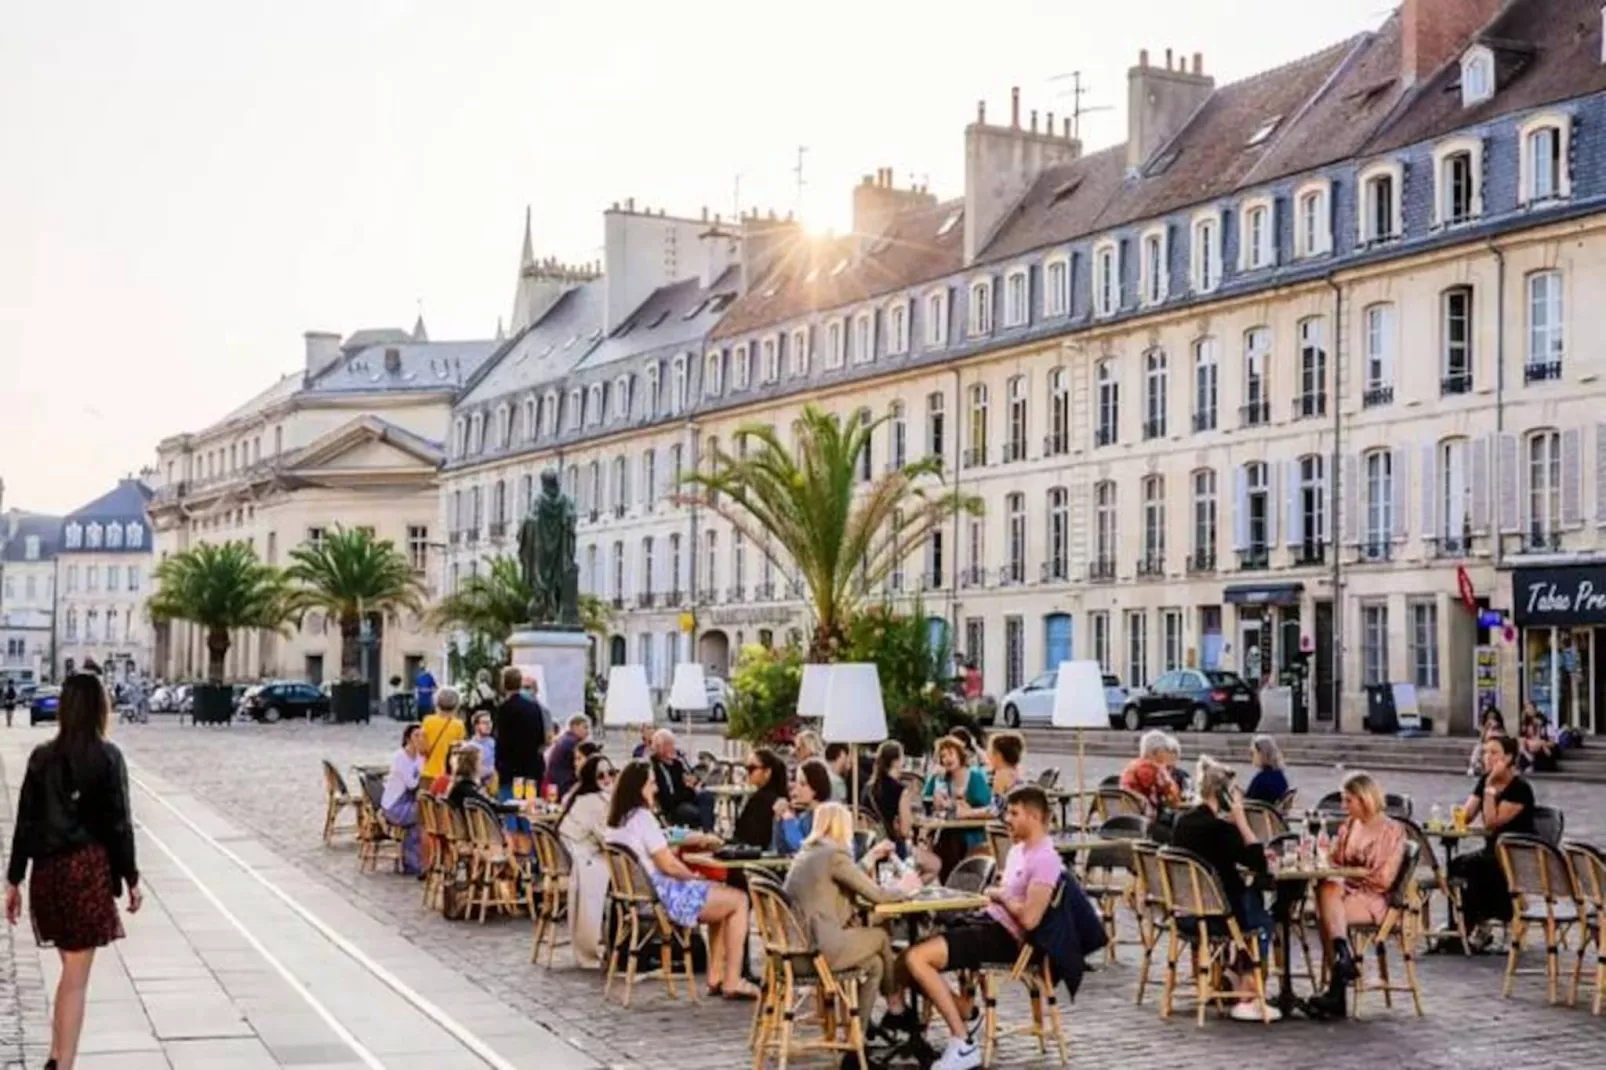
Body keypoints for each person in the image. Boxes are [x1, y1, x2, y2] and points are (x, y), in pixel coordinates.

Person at [5, 673, 142, 1070]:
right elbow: (120, 825)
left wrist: (13, 880)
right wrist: (131, 878)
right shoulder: (108, 757)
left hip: (48, 874)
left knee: (70, 971)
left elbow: (25, 824)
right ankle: (64, 1065)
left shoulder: (41, 757)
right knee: (77, 978)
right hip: (86, 874)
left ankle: (54, 1055)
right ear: (100, 708)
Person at [900, 786, 1063, 1070]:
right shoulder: (1017, 851)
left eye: (1014, 813)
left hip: (1009, 940)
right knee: (903, 960)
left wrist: (1000, 895)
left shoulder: (1045, 860)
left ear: (1035, 816)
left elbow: (1029, 919)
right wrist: (998, 894)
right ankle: (965, 1011)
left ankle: (962, 1043)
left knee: (917, 958)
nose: (1007, 819)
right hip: (988, 922)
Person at [605, 761, 759, 999]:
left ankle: (716, 976)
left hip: (639, 897)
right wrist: (693, 876)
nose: (655, 789)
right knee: (739, 900)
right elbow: (667, 864)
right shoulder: (642, 818)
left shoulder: (616, 823)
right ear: (639, 787)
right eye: (652, 783)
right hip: (665, 897)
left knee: (721, 898)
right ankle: (732, 980)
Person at [783, 803, 920, 1056]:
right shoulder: (834, 855)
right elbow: (877, 895)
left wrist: (871, 857)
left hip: (791, 954)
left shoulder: (810, 852)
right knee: (880, 937)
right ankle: (895, 1005)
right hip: (819, 953)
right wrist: (905, 888)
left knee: (875, 965)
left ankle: (857, 1042)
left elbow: (850, 876)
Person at [1170, 757, 1278, 1021]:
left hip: (1187, 911)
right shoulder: (1221, 829)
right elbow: (1258, 862)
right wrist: (1241, 821)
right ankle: (1248, 993)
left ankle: (1232, 972)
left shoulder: (1182, 823)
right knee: (1263, 921)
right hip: (1221, 913)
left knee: (1252, 902)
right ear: (1224, 795)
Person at [1307, 772, 1407, 1019]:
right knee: (1326, 890)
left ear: (1365, 799)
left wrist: (1351, 873)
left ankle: (1339, 983)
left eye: (1348, 800)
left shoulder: (1391, 830)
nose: (1344, 806)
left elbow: (1384, 878)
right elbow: (1336, 860)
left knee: (1325, 910)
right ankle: (1343, 959)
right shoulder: (1351, 825)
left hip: (1376, 897)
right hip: (1347, 890)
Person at [1449, 734, 1537, 948]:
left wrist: (1489, 788)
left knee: (1478, 867)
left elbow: (1491, 822)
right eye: (1485, 752)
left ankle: (1487, 920)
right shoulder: (1484, 780)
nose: (1487, 757)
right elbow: (1467, 816)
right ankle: (1467, 924)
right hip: (1492, 850)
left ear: (1508, 758)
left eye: (1494, 753)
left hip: (1514, 853)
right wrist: (1461, 813)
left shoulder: (1519, 788)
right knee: (1457, 865)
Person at [558, 754, 615, 968]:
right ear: (592, 778)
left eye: (611, 773)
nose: (607, 779)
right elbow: (607, 837)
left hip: (577, 856)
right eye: (601, 775)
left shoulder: (583, 796)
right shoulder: (593, 801)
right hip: (583, 858)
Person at [868, 741, 940, 882]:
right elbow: (905, 831)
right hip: (895, 850)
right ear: (896, 762)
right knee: (935, 865)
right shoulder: (901, 791)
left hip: (872, 850)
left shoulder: (868, 789)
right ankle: (908, 889)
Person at [923, 736, 994, 873]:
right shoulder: (943, 779)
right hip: (949, 830)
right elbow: (926, 798)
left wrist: (966, 809)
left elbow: (988, 807)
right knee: (943, 841)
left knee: (951, 842)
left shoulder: (975, 776)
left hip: (972, 831)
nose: (947, 759)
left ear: (960, 755)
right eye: (943, 756)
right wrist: (935, 777)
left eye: (951, 754)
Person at [492, 665, 549, 800]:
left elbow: (501, 740)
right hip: (532, 764)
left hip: (510, 767)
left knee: (510, 807)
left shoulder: (504, 708)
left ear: (503, 684)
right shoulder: (534, 707)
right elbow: (542, 738)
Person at [649, 729, 715, 831]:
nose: (673, 748)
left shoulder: (677, 764)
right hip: (672, 806)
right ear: (660, 747)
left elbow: (683, 786)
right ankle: (708, 833)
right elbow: (668, 796)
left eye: (672, 745)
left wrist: (691, 787)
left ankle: (708, 832)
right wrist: (689, 791)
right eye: (669, 745)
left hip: (683, 798)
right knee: (699, 814)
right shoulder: (655, 766)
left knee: (706, 796)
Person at [381, 724, 426, 874]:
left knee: (422, 818)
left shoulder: (420, 757)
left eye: (422, 736)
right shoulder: (400, 758)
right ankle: (415, 862)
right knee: (422, 816)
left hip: (410, 801)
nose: (420, 739)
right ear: (408, 738)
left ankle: (414, 862)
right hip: (395, 805)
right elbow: (412, 784)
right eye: (416, 736)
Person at [773, 759, 835, 855]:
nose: (796, 789)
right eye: (796, 783)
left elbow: (805, 850)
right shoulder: (805, 818)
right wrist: (780, 819)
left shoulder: (829, 816)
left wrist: (789, 821)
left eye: (803, 784)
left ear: (815, 787)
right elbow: (782, 850)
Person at [734, 747, 790, 848]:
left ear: (767, 772)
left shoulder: (762, 800)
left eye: (751, 768)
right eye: (746, 768)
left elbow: (751, 838)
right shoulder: (777, 796)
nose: (747, 773)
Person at [1120, 731, 1184, 815]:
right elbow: (1173, 799)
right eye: (1166, 749)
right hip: (1145, 821)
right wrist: (1165, 773)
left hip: (1128, 817)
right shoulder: (1151, 769)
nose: (1167, 753)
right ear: (1156, 751)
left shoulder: (1132, 765)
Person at [418, 686, 466, 790]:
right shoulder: (459, 725)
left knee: (426, 804)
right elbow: (459, 752)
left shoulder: (428, 721)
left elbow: (422, 750)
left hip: (428, 773)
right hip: (448, 776)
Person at [545, 714, 591, 799]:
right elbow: (586, 768)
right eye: (585, 727)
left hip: (555, 785)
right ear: (574, 727)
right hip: (565, 787)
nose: (587, 732)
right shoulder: (574, 744)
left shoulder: (565, 739)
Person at [1243, 734, 1289, 806]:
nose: (1251, 757)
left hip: (1256, 814)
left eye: (1253, 753)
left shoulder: (1261, 779)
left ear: (1262, 754)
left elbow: (1248, 801)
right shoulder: (1279, 775)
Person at [986, 733, 1024, 816]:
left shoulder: (1001, 775)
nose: (988, 757)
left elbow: (994, 811)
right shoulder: (1015, 771)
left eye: (990, 752)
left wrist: (967, 813)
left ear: (998, 755)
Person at [1468, 707, 1507, 777]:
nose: (1491, 718)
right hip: (1487, 745)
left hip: (1496, 745)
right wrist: (1486, 729)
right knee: (1478, 748)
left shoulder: (1499, 728)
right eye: (1489, 717)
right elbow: (1482, 739)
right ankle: (1475, 765)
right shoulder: (1486, 727)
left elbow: (1502, 737)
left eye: (1493, 717)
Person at [1517, 708, 1559, 773]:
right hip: (1529, 757)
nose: (1536, 722)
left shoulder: (1545, 728)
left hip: (1542, 755)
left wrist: (1542, 743)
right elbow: (1522, 748)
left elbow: (1552, 744)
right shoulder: (1525, 734)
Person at [467, 711, 497, 790]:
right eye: (484, 723)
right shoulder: (470, 746)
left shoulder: (494, 744)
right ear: (476, 726)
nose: (488, 725)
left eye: (490, 722)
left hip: (495, 786)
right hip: (478, 787)